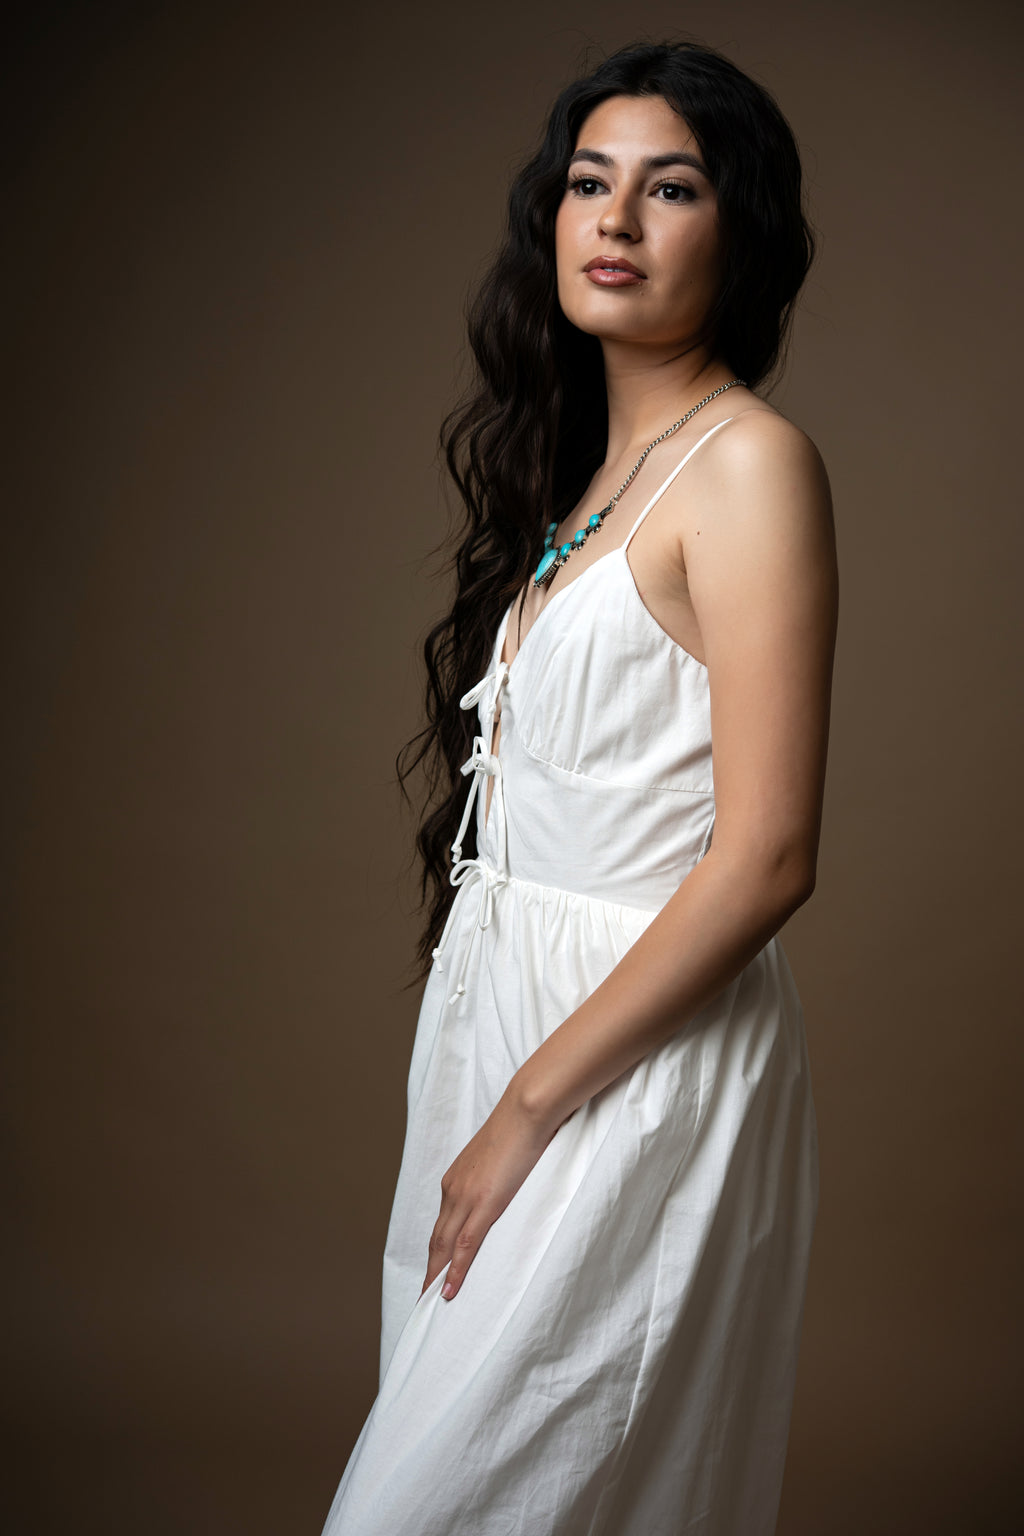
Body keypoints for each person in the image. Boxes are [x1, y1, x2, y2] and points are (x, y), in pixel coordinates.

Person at [322, 38, 837, 1536]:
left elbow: (770, 854)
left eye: (670, 188)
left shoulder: (749, 466)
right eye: (587, 182)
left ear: (739, 230)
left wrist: (529, 1107)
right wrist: (493, 1083)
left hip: (630, 1060)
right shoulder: (594, 476)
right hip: (506, 1029)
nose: (613, 219)